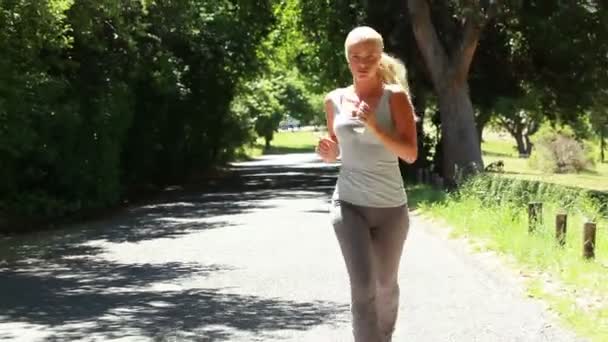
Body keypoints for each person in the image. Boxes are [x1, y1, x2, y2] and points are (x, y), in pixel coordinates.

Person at [316, 26, 418, 342]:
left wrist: (374, 124)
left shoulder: (395, 98)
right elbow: (337, 149)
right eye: (356, 57)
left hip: (391, 208)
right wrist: (330, 153)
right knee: (362, 288)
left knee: (385, 285)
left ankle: (384, 337)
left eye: (370, 56)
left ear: (379, 57)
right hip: (348, 204)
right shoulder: (333, 100)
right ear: (347, 58)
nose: (362, 63)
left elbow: (410, 154)